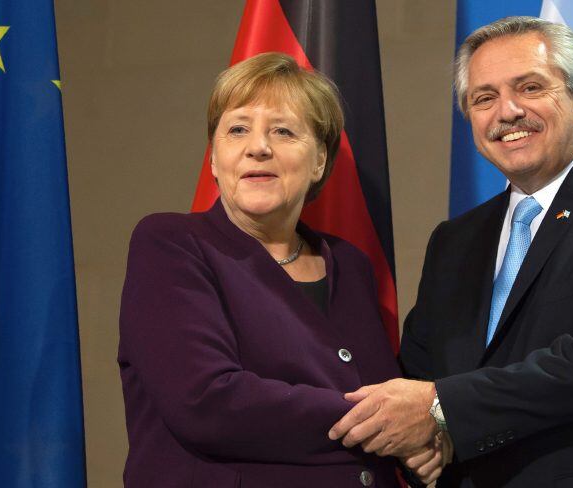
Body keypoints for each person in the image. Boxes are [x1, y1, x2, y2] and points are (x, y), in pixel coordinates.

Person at [329, 16, 573, 486]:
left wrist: (440, 410)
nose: (507, 112)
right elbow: (420, 367)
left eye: (529, 87)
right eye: (484, 98)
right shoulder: (455, 241)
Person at [118, 52, 403, 487]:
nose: (258, 147)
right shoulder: (172, 244)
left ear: (320, 162)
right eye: (237, 130)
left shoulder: (351, 265)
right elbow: (206, 404)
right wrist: (394, 424)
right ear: (214, 159)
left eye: (283, 131)